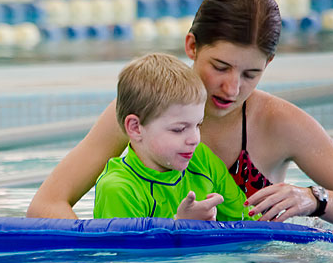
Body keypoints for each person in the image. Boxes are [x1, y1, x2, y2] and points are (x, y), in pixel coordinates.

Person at [27, 0, 333, 229]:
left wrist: (314, 199)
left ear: (268, 66)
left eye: (250, 74)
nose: (231, 87)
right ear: (192, 47)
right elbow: (47, 204)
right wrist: (103, 256)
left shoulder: (281, 123)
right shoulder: (144, 112)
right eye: (220, 67)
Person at [94, 53, 253, 221]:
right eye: (179, 129)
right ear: (135, 128)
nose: (194, 139)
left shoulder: (201, 159)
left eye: (198, 125)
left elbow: (250, 222)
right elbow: (125, 247)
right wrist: (182, 226)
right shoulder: (119, 189)